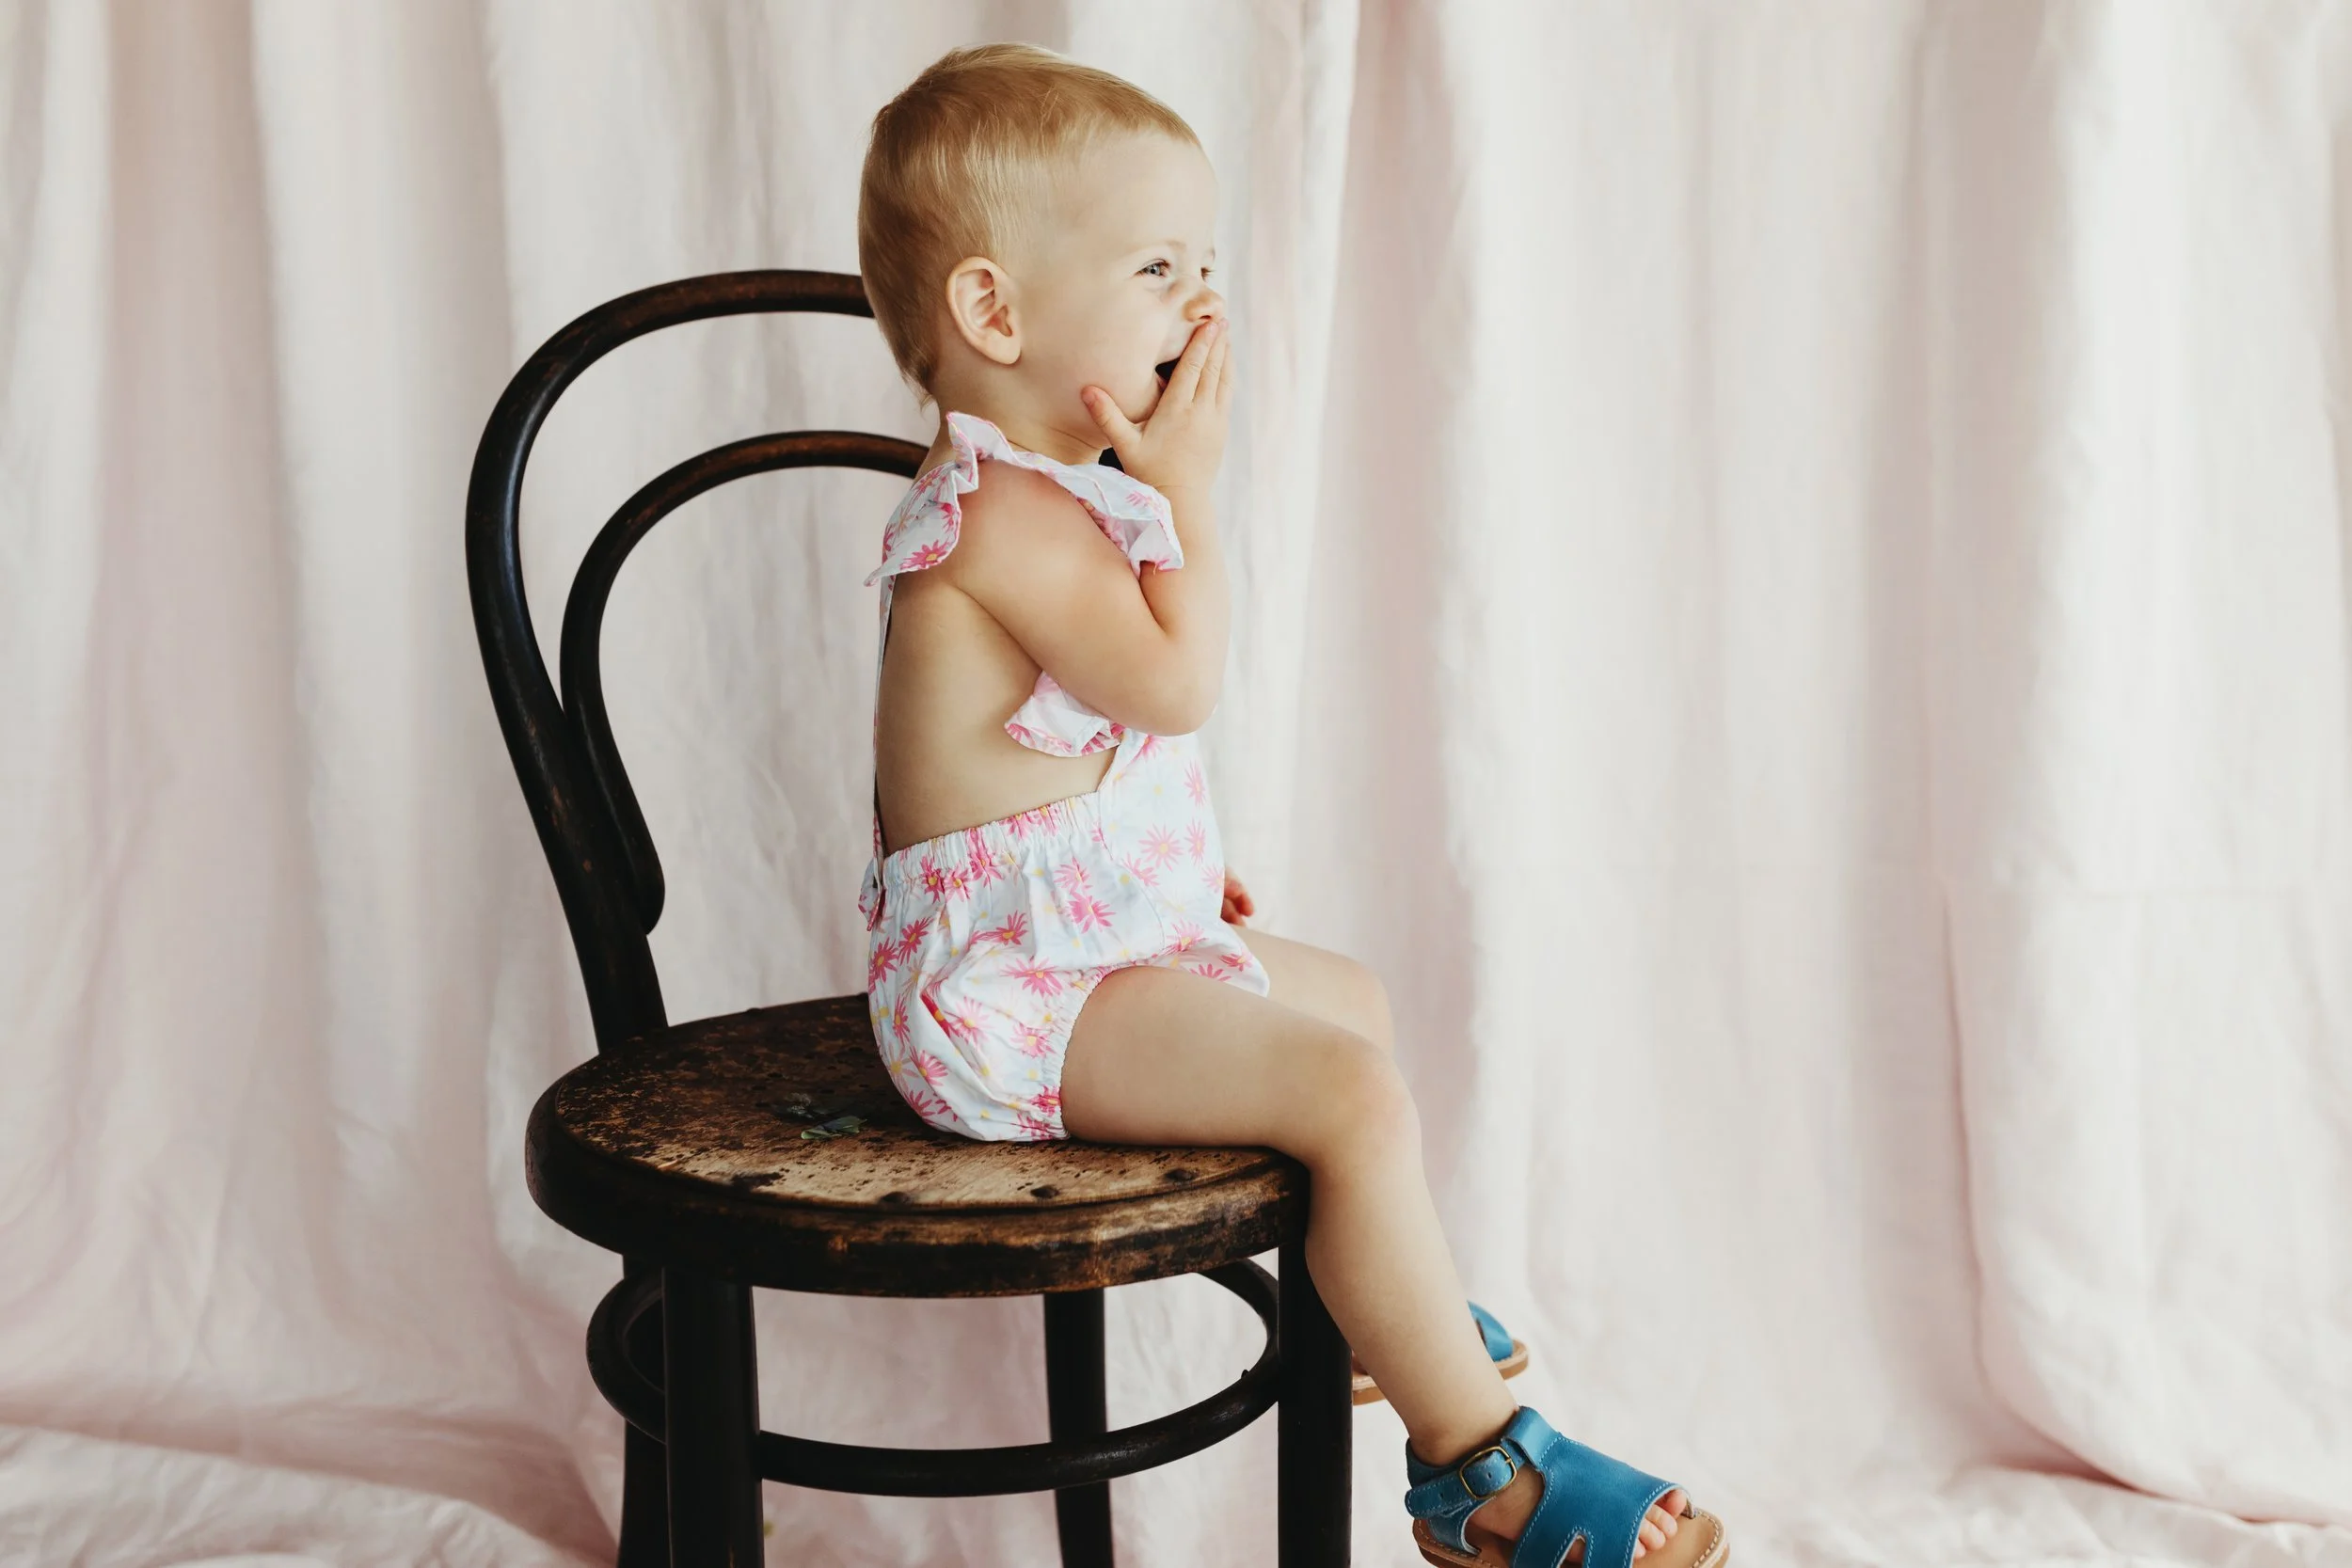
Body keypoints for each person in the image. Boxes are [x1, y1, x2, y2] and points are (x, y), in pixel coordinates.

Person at [853, 41, 1726, 1568]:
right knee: (1350, 1096)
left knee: (1356, 1006)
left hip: (1073, 945)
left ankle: (1379, 1292)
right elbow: (1177, 685)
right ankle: (1479, 1474)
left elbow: (1077, 755)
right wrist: (1193, 490)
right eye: (1155, 265)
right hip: (1009, 998)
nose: (1203, 303)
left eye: (1207, 259)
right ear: (993, 311)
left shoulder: (1052, 501)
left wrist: (1160, 868)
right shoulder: (1004, 514)